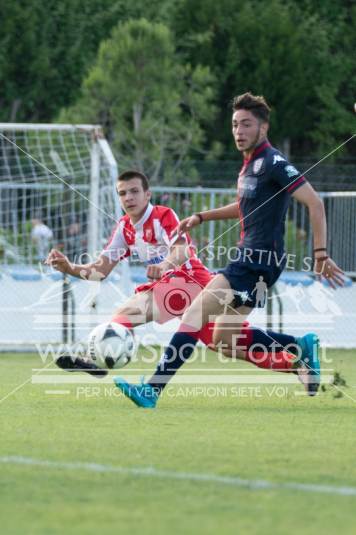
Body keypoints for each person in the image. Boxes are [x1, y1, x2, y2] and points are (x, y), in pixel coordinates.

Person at [114, 92, 344, 407]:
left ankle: (152, 390)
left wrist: (320, 254)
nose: (239, 131)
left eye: (246, 124)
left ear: (263, 128)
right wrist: (201, 216)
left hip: (255, 262)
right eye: (235, 124)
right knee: (224, 339)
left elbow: (315, 203)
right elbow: (244, 207)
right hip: (255, 262)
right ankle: (300, 345)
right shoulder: (250, 165)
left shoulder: (273, 162)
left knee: (195, 313)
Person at [45, 169, 212, 376]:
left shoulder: (163, 215)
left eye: (134, 191)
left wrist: (164, 265)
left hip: (192, 282)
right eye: (123, 193)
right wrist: (70, 268)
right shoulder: (124, 227)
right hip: (173, 287)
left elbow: (182, 249)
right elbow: (100, 270)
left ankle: (94, 361)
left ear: (147, 195)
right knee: (230, 342)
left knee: (126, 314)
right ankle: (266, 356)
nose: (129, 197)